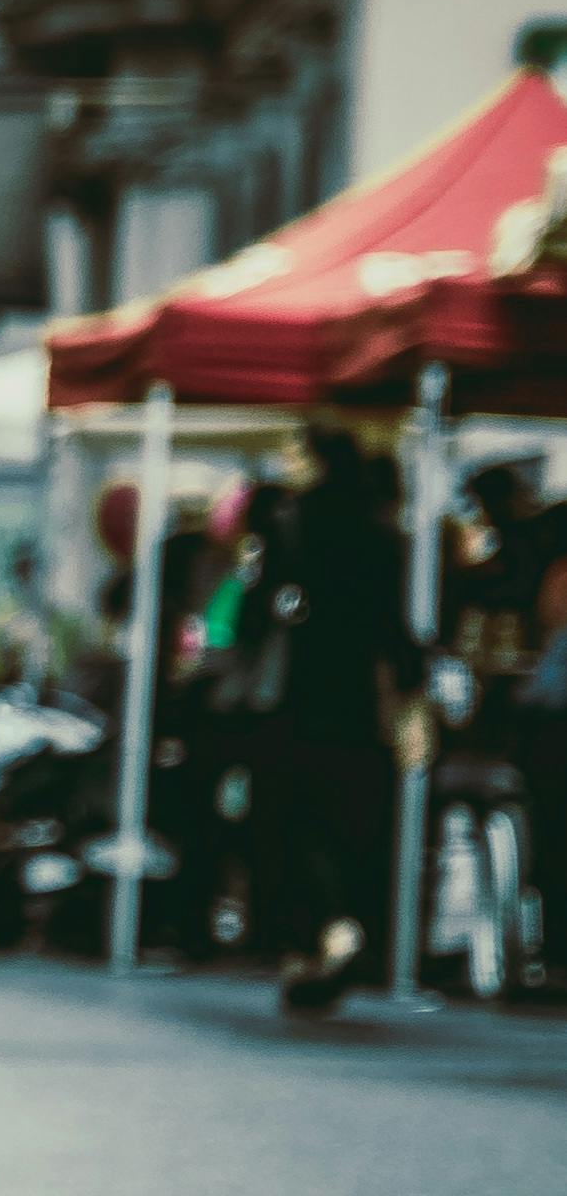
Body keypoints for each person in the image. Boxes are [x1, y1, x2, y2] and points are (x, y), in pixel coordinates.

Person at [244, 431, 428, 1011]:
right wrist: (410, 679)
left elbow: (256, 612)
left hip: (297, 695)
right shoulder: (380, 531)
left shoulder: (290, 522)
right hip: (356, 700)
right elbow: (392, 624)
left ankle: (319, 933)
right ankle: (345, 926)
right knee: (352, 822)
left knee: (293, 823)